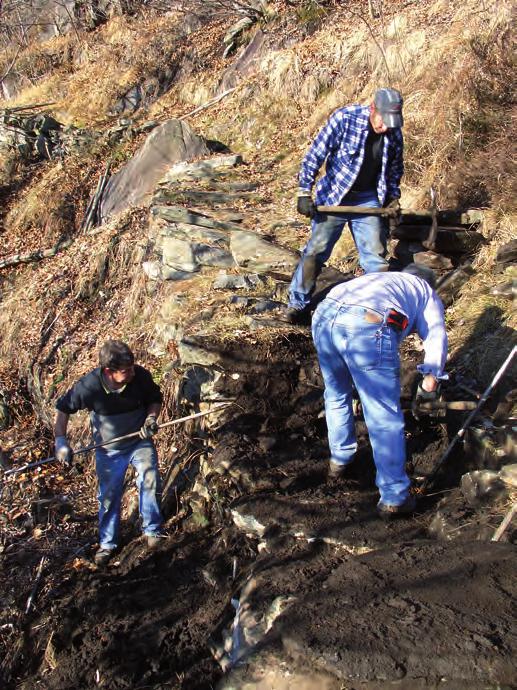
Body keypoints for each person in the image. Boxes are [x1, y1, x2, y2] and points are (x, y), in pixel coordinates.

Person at [311, 264, 447, 517]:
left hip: (325, 315)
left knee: (336, 393)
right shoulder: (425, 290)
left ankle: (340, 460)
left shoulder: (383, 280)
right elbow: (436, 334)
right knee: (382, 413)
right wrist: (431, 380)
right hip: (367, 323)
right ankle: (394, 496)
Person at [286, 87, 404, 324]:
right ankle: (298, 304)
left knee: (376, 259)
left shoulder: (394, 133)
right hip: (335, 196)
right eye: (383, 120)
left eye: (392, 122)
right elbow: (315, 154)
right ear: (373, 109)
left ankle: (376, 311)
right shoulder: (345, 118)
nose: (386, 127)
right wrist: (303, 192)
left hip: (369, 199)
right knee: (316, 252)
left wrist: (392, 198)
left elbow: (394, 169)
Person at [54, 340, 164, 565]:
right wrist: (61, 441)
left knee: (150, 479)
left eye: (132, 367)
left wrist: (151, 418)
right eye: (126, 371)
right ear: (108, 372)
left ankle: (152, 530)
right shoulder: (89, 387)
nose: (132, 373)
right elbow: (63, 408)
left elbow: (155, 399)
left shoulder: (140, 377)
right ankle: (107, 543)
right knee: (109, 496)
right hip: (109, 451)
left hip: (139, 442)